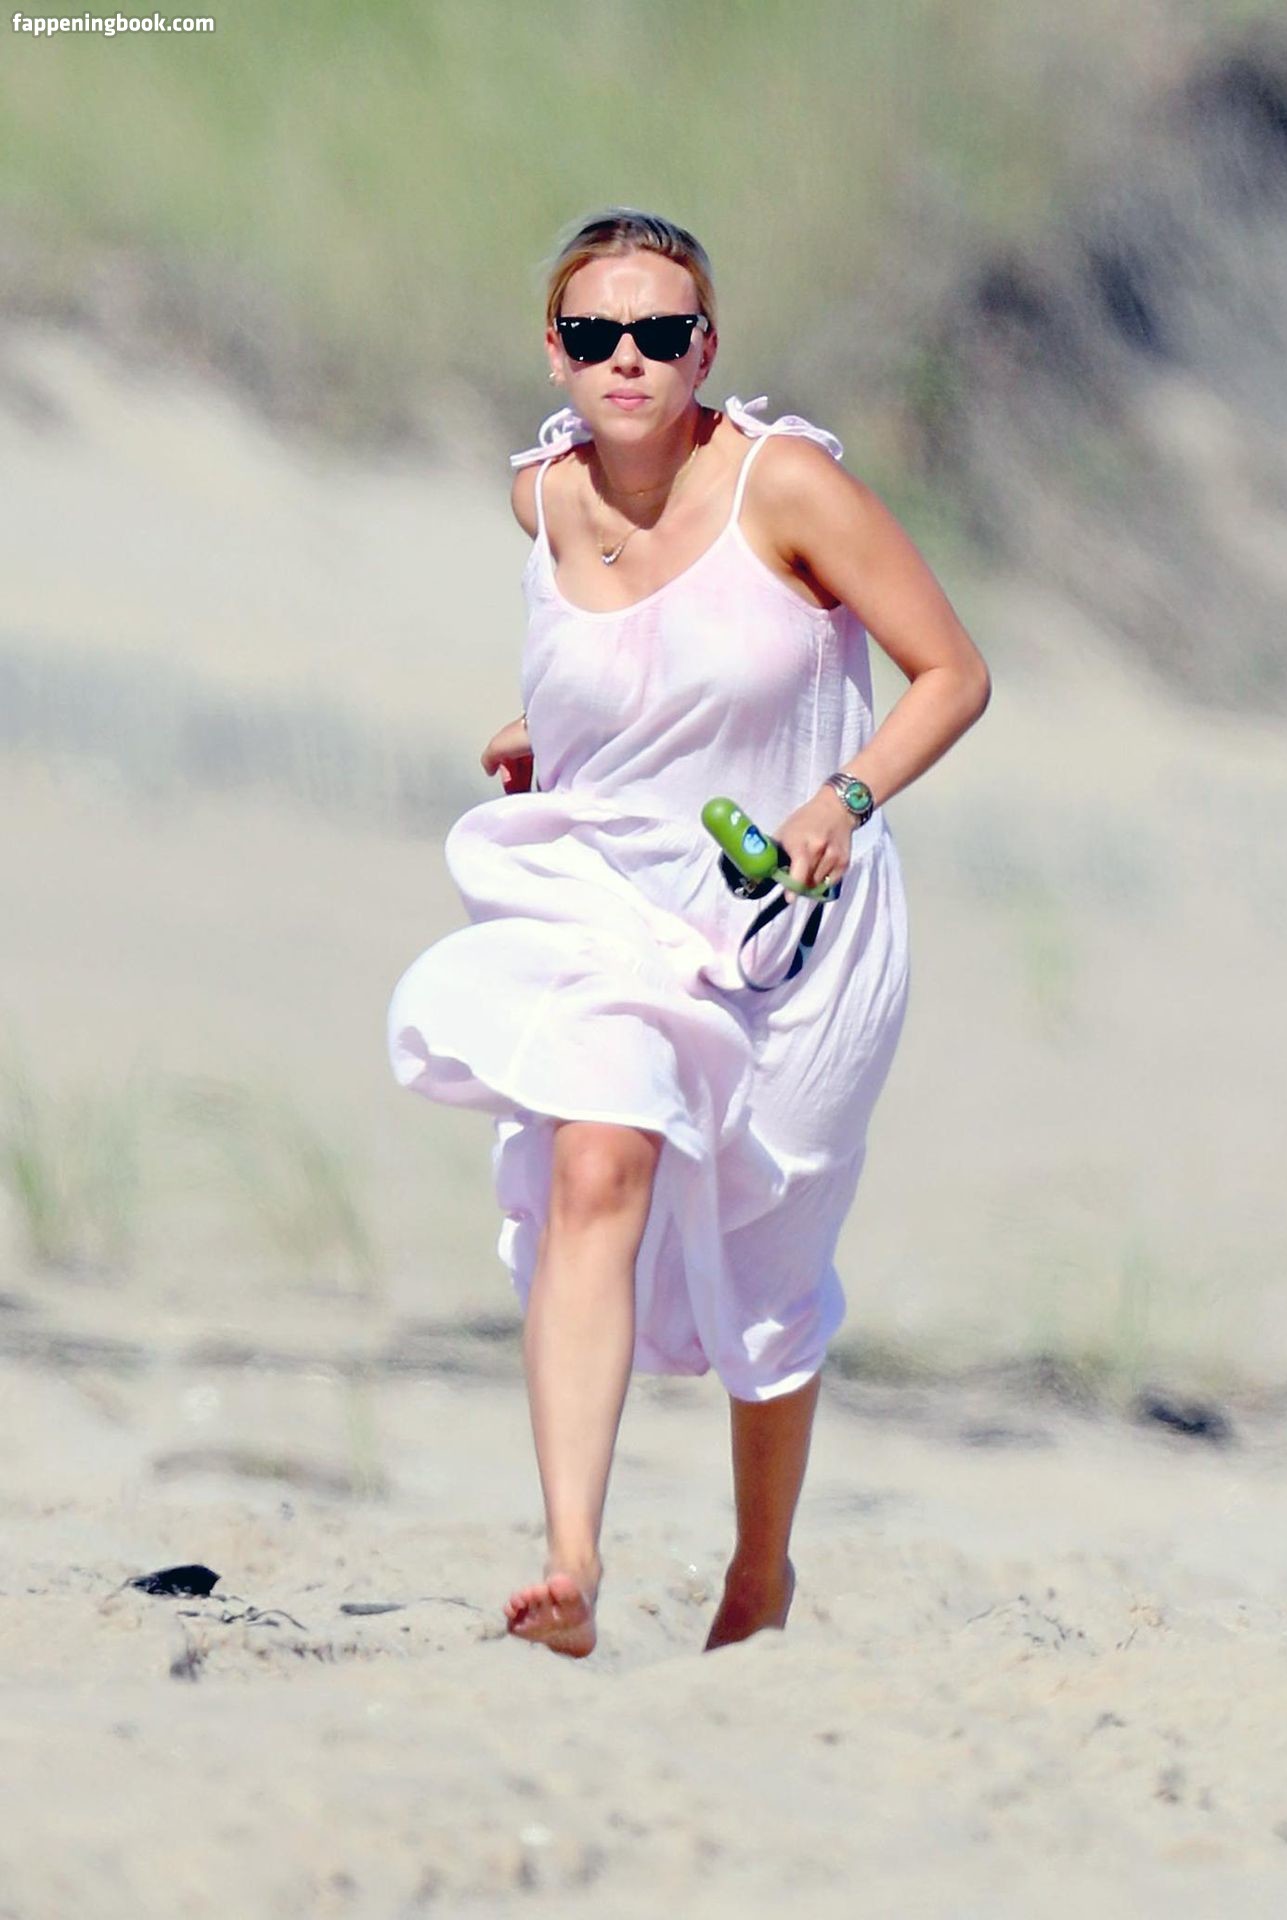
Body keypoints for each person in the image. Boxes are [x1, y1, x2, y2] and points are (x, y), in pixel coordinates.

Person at [387, 207, 991, 1660]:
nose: (629, 359)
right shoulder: (542, 500)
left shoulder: (786, 485)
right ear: (556, 351)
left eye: (661, 333)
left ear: (705, 348)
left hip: (794, 928)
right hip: (608, 900)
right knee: (592, 1163)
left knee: (770, 1273)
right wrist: (548, 732)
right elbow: (632, 672)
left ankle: (757, 1575)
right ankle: (571, 1563)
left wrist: (845, 796)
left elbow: (952, 673)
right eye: (596, 333)